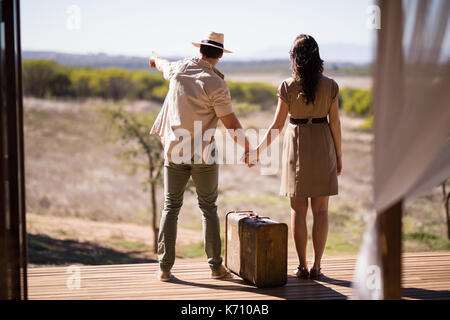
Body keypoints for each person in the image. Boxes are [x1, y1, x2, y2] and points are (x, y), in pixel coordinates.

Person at [150, 32, 252, 281]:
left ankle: (164, 269)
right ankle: (216, 268)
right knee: (208, 208)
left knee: (170, 207)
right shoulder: (216, 83)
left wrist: (154, 59)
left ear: (201, 51)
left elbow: (163, 65)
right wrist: (247, 148)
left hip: (174, 151)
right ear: (219, 56)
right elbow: (230, 122)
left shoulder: (178, 69)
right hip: (204, 154)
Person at [248, 34, 342, 279]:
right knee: (321, 211)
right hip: (323, 145)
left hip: (297, 146)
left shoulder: (287, 86)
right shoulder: (331, 85)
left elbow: (277, 125)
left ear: (295, 58)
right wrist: (339, 157)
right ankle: (317, 266)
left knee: (298, 210)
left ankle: (302, 266)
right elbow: (336, 124)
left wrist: (258, 150)